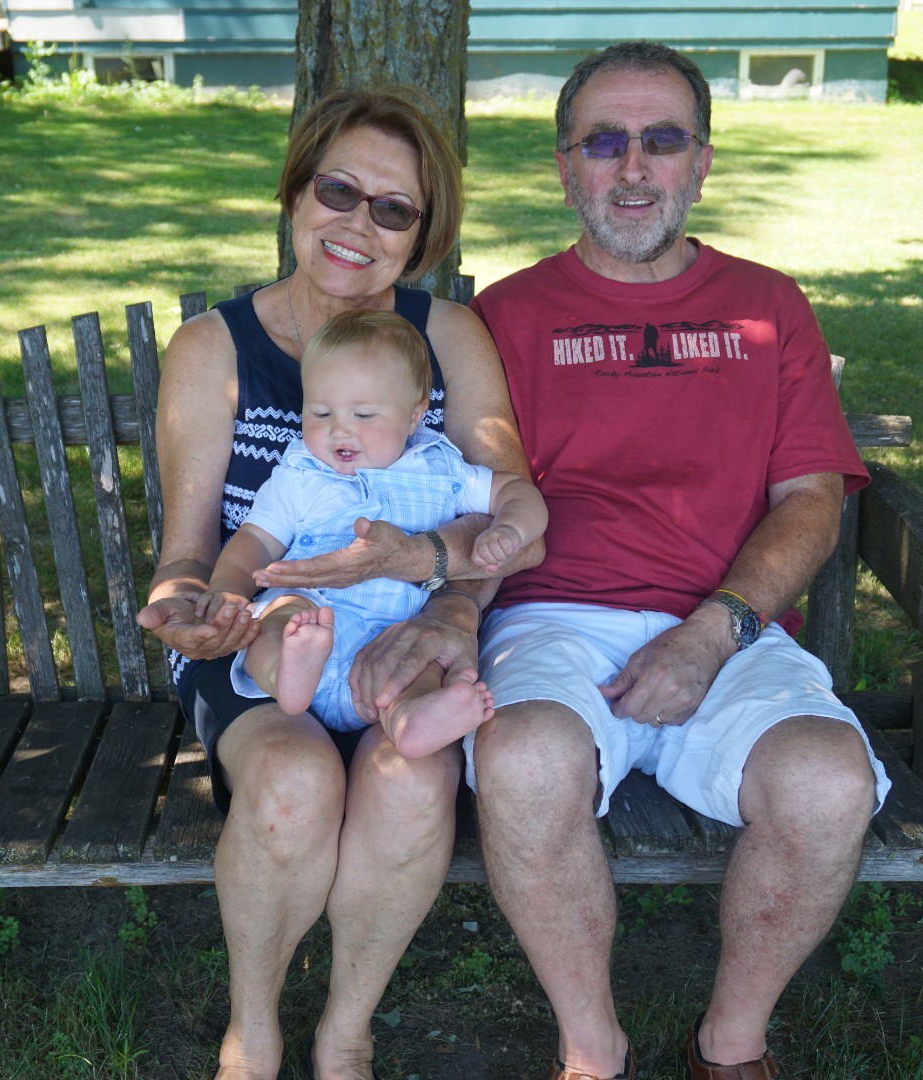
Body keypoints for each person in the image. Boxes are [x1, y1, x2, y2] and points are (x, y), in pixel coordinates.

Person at [353, 41, 895, 1079]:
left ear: (702, 163)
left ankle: (730, 1046)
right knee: (523, 758)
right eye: (604, 143)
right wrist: (456, 607)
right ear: (566, 168)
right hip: (552, 620)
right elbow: (474, 496)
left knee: (830, 784)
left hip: (728, 625)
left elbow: (811, 502)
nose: (634, 168)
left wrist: (712, 633)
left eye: (663, 140)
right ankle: (591, 1048)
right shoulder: (504, 320)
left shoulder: (768, 307)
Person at [135, 87, 541, 1080]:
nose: (358, 224)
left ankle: (347, 1027)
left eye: (393, 208)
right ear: (295, 192)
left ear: (422, 236)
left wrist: (446, 598)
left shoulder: (448, 339)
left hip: (410, 629)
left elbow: (509, 518)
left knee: (414, 782)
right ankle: (254, 1029)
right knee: (292, 777)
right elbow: (190, 548)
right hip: (266, 630)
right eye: (337, 190)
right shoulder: (215, 349)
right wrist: (195, 606)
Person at [196, 309, 547, 759]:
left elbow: (516, 491)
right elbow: (256, 540)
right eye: (320, 412)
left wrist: (512, 526)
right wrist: (226, 593)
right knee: (279, 617)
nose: (339, 429)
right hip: (314, 610)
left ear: (415, 415)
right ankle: (288, 673)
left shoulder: (441, 469)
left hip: (398, 633)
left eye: (363, 414)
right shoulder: (302, 473)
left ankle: (412, 720)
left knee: (421, 666)